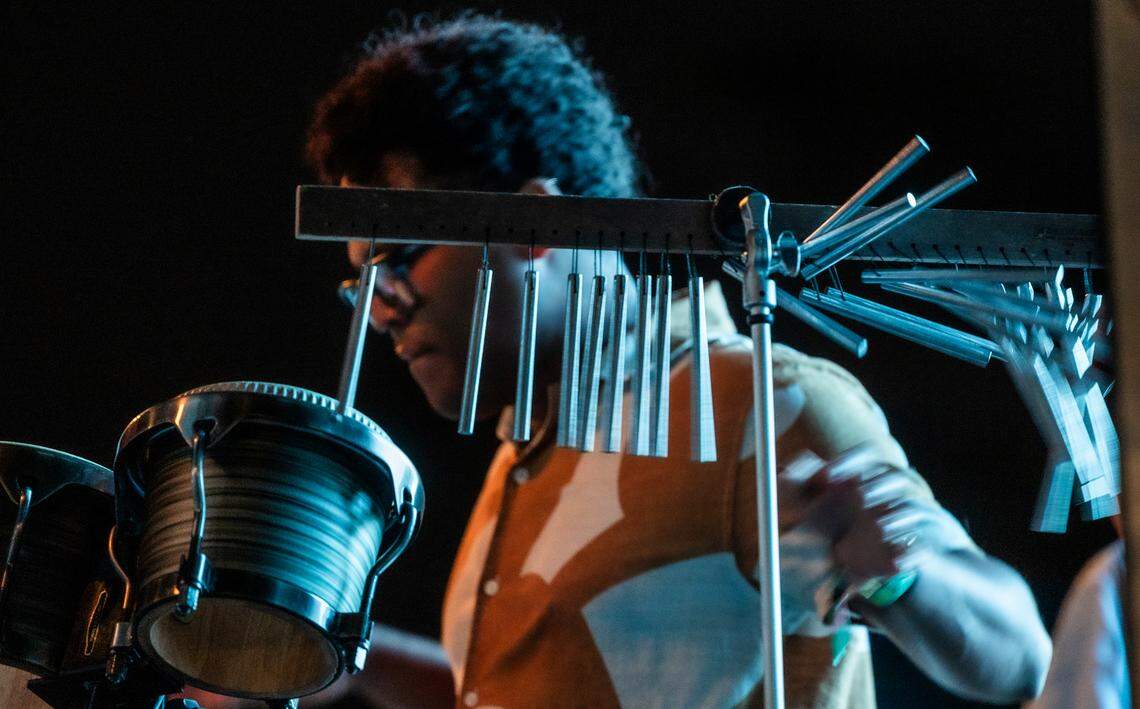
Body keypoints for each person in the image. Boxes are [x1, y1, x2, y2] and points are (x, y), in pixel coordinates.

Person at [294, 14, 1051, 708]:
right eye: (359, 281)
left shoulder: (756, 399)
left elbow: (1022, 654)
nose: (379, 305)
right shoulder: (524, 450)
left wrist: (902, 576)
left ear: (537, 225)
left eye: (396, 258)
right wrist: (351, 661)